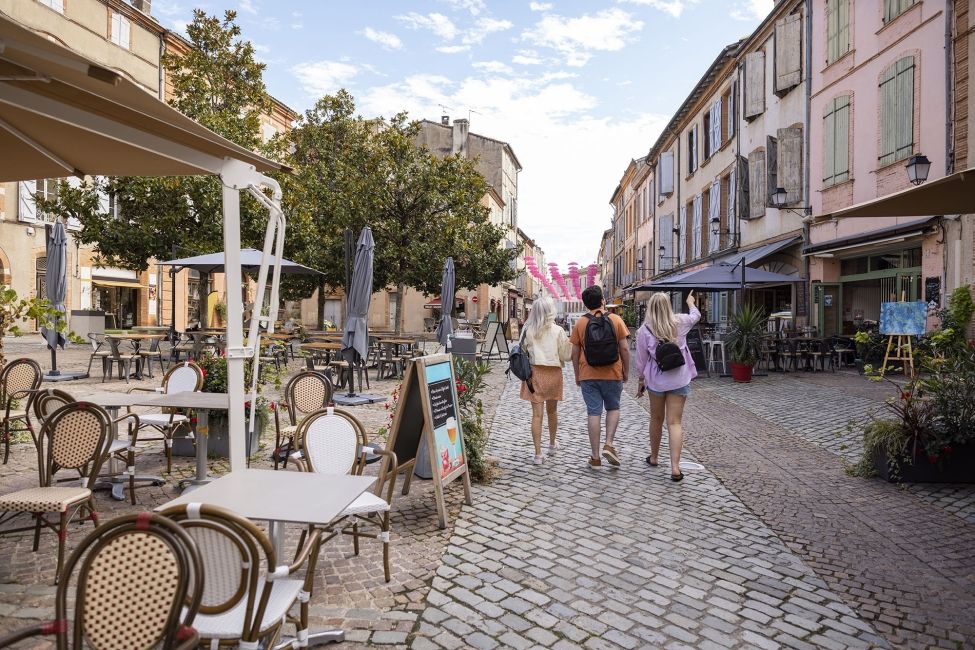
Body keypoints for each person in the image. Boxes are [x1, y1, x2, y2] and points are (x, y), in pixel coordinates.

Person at [635, 291, 700, 482]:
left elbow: (641, 361)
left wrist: (641, 381)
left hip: (656, 380)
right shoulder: (680, 322)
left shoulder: (644, 331)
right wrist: (690, 302)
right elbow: (696, 316)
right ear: (668, 306)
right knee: (675, 422)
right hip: (679, 378)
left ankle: (654, 457)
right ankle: (675, 467)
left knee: (656, 419)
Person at [571, 285, 630, 468]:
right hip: (613, 372)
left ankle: (595, 457)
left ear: (586, 304)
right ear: (603, 300)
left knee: (593, 412)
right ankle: (609, 443)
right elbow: (625, 349)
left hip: (588, 374)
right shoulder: (616, 319)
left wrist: (577, 374)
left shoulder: (580, 323)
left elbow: (574, 352)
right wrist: (625, 372)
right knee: (613, 407)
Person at [518, 296, 572, 464]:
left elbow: (522, 351)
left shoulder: (529, 330)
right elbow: (565, 355)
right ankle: (552, 443)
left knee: (537, 415)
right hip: (554, 374)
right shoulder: (558, 331)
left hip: (535, 374)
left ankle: (537, 454)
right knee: (552, 411)